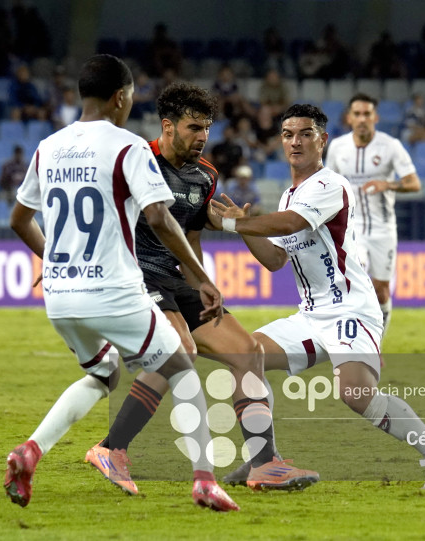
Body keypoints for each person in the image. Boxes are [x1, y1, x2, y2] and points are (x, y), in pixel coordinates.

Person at [4, 54, 238, 512]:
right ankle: (205, 481)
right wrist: (200, 277)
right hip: (113, 290)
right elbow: (160, 218)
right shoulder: (129, 147)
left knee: (103, 373)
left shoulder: (48, 147)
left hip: (61, 296)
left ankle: (30, 450)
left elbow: (19, 219)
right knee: (181, 366)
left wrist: (56, 260)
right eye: (131, 97)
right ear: (120, 97)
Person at [210, 103, 425, 491]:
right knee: (245, 355)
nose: (295, 142)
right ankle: (263, 460)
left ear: (322, 140)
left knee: (357, 394)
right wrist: (244, 229)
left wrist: (235, 223)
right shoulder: (288, 196)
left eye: (305, 134)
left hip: (351, 310)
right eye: (288, 135)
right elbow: (276, 259)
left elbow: (293, 224)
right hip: (311, 315)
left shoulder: (331, 185)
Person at [84, 81, 317, 492]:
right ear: (167, 126)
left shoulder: (204, 175)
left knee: (248, 352)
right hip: (133, 275)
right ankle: (110, 449)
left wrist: (203, 285)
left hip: (174, 279)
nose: (203, 136)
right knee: (180, 352)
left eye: (207, 128)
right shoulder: (135, 161)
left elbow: (191, 238)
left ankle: (264, 464)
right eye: (194, 127)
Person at [325, 94, 421, 336]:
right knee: (354, 284)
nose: (362, 119)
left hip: (383, 229)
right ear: (349, 118)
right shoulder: (338, 147)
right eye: (357, 114)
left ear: (375, 117)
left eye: (367, 114)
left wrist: (387, 184)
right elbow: (328, 185)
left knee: (381, 291)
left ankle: (376, 343)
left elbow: (414, 183)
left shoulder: (390, 146)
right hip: (352, 229)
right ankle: (350, 340)